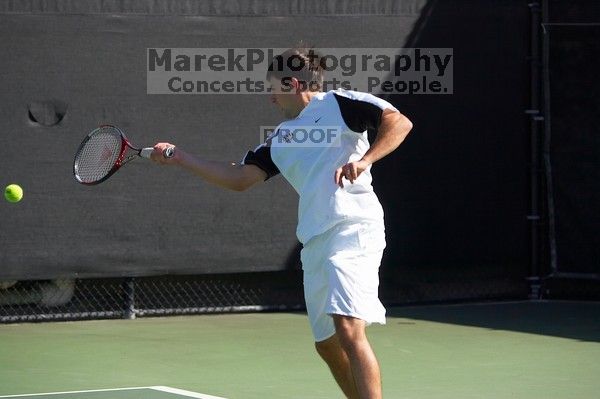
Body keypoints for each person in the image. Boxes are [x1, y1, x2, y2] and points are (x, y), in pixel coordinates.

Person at [150, 46, 413, 399]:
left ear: (291, 83)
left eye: (272, 87)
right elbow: (241, 178)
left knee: (349, 330)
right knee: (327, 346)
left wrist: (365, 160)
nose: (269, 96)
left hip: (353, 229)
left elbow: (399, 122)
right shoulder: (282, 138)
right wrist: (181, 158)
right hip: (316, 241)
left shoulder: (340, 103)